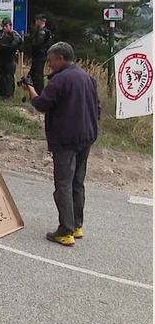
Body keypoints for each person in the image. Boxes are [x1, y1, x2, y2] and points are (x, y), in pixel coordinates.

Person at [22, 42, 101, 247]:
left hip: (66, 139)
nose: (49, 65)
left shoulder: (60, 80)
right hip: (86, 137)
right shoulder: (87, 78)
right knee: (77, 183)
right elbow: (97, 108)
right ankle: (76, 225)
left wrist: (30, 89)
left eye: (50, 60)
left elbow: (41, 104)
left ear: (61, 58)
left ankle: (65, 232)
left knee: (63, 185)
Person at [0, 19, 23, 99]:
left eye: (6, 26)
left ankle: (9, 96)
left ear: (10, 26)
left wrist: (1, 46)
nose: (4, 28)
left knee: (9, 77)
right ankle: (1, 95)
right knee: (0, 77)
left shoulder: (14, 35)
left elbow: (15, 46)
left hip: (9, 59)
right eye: (3, 26)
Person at [29, 14, 52, 95]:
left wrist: (32, 39)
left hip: (39, 56)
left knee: (38, 76)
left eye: (36, 21)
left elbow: (37, 44)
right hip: (40, 56)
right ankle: (34, 93)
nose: (35, 22)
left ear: (39, 21)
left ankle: (38, 93)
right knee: (34, 75)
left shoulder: (41, 32)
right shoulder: (46, 32)